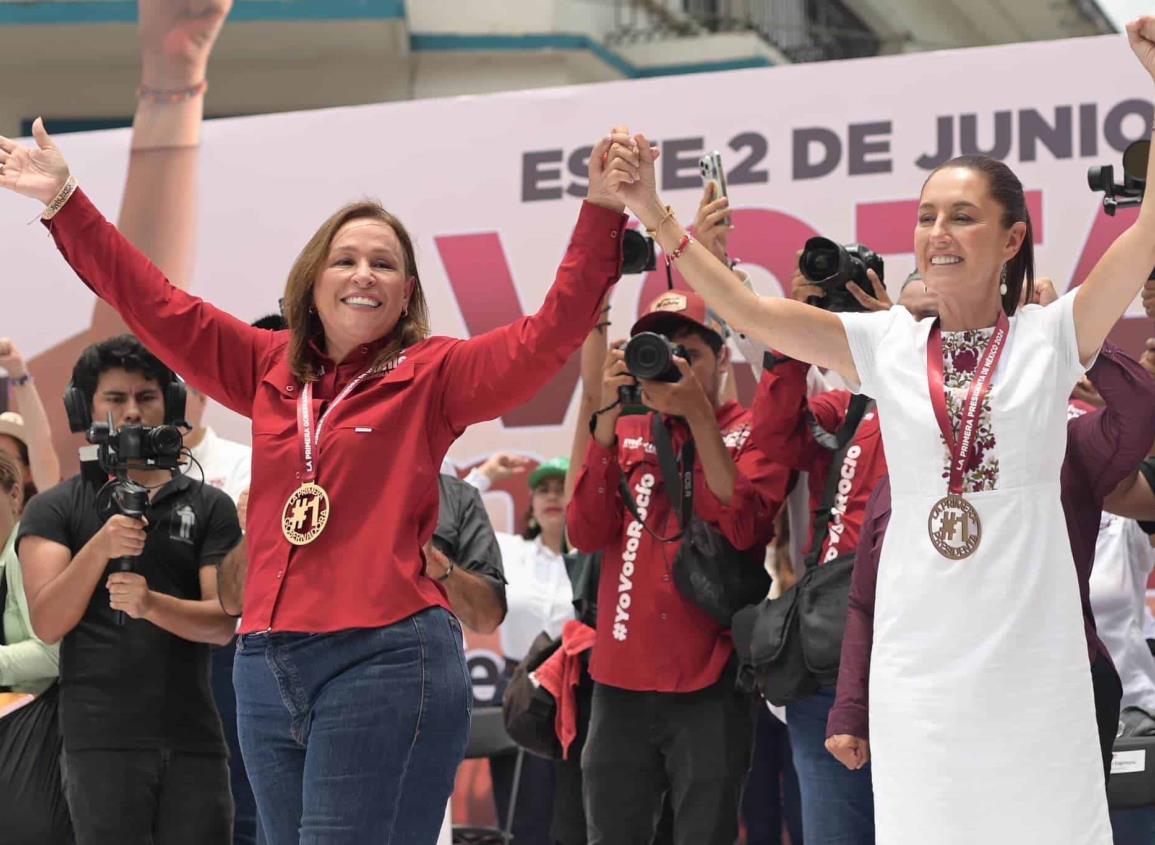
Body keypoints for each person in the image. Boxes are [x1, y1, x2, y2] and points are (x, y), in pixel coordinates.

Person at [0, 108, 634, 840]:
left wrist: (600, 211)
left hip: (384, 653)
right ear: (312, 281)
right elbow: (156, 305)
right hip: (265, 662)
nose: (364, 273)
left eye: (385, 263)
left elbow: (546, 334)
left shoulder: (435, 375)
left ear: (405, 295)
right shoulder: (266, 369)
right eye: (346, 259)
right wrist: (65, 202)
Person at [599, 22, 1155, 842]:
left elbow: (1145, 234)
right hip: (916, 666)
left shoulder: (1049, 334)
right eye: (926, 214)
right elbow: (751, 311)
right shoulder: (884, 342)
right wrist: (653, 210)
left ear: (1009, 241)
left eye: (962, 216)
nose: (935, 231)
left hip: (1032, 666)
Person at [567, 286, 792, 845]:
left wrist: (697, 416)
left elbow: (743, 527)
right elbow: (584, 533)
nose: (671, 362)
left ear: (721, 358)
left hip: (710, 681)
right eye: (658, 349)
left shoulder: (752, 429)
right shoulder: (624, 429)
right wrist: (601, 422)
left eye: (688, 352)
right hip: (618, 680)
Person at [16, 335, 242, 844]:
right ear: (86, 408)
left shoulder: (210, 505)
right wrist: (99, 546)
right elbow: (49, 623)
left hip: (196, 742)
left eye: (146, 397)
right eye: (115, 399)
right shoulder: (54, 508)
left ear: (172, 403)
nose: (133, 413)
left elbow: (222, 625)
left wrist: (149, 604)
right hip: (100, 744)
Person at [466, 452, 576, 844]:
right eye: (543, 489)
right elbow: (452, 517)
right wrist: (484, 475)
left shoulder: (596, 557)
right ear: (531, 507)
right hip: (520, 689)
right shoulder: (510, 551)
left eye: (562, 489)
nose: (552, 496)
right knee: (523, 813)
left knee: (578, 809)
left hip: (579, 688)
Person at [0, 338, 62, 503]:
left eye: (3, 458)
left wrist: (18, 374)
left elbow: (40, 443)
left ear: (29, 472)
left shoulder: (43, 517)